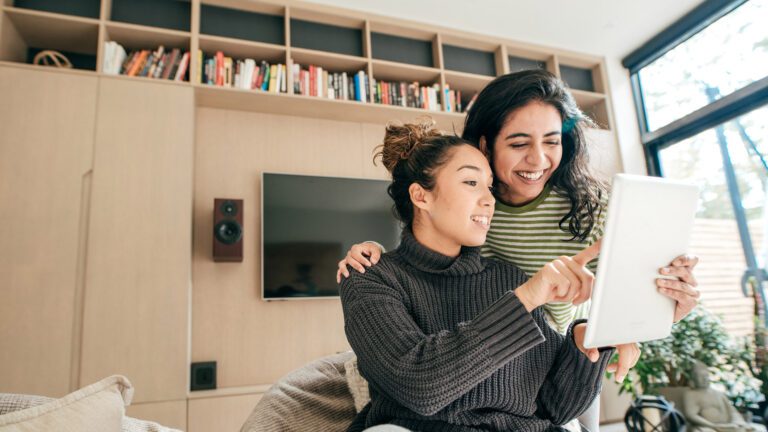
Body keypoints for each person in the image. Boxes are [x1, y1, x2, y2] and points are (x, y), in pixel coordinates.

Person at [337, 70, 701, 431]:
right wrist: (373, 253)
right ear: (486, 145)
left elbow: (554, 406)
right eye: (518, 143)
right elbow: (421, 245)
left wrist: (623, 322)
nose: (538, 159)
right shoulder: (383, 276)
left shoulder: (585, 214)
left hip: (552, 351)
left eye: (551, 141)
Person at [339, 120, 636, 432]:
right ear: (421, 196)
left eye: (490, 186)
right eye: (471, 183)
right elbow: (420, 386)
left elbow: (554, 408)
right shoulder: (371, 278)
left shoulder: (508, 278)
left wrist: (586, 341)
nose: (489, 199)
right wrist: (525, 300)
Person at [681, 361, 765, 432]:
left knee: (758, 429)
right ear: (694, 379)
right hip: (707, 427)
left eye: (706, 376)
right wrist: (713, 426)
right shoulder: (691, 394)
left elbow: (732, 411)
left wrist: (737, 423)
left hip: (728, 426)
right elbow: (691, 415)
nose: (704, 379)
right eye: (700, 377)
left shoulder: (718, 393)